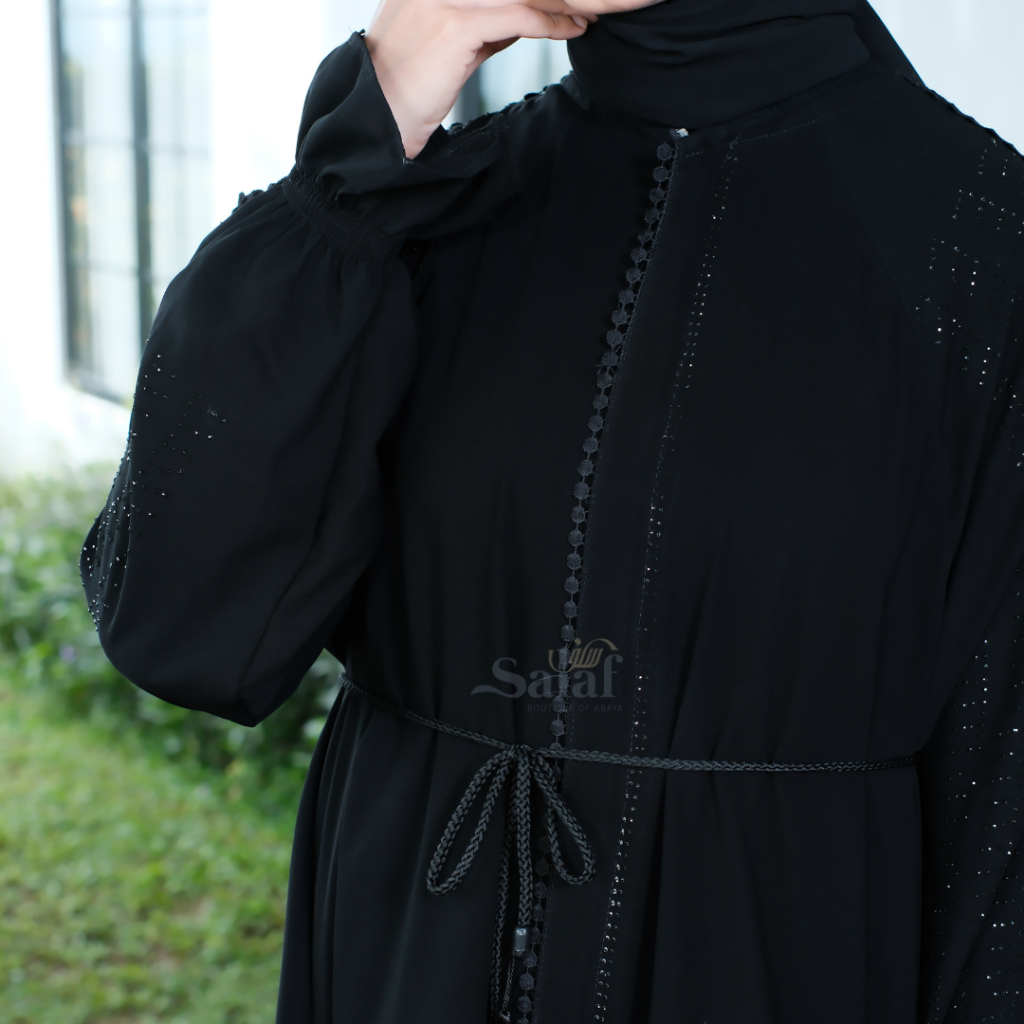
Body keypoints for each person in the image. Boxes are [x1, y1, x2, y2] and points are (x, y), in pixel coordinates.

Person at [81, 0, 1024, 1019]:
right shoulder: (417, 202)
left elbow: (1003, 814)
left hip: (766, 971)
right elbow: (179, 627)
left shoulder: (976, 243)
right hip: (400, 964)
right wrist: (362, 144)